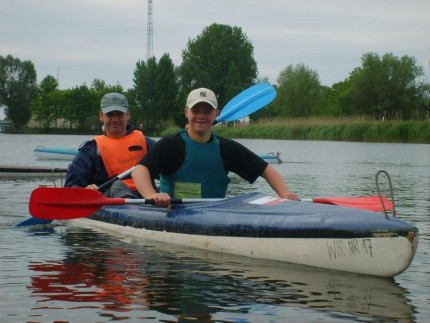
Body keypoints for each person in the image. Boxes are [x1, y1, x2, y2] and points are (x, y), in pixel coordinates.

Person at [131, 87, 299, 207]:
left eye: (207, 111)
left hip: (212, 215)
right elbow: (139, 171)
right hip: (171, 213)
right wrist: (152, 196)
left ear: (216, 114)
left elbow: (267, 170)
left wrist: (284, 194)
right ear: (186, 113)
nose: (201, 116)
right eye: (196, 110)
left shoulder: (227, 149)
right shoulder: (171, 145)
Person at [65, 92, 156, 198]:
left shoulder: (146, 143)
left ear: (128, 114)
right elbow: (72, 185)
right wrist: (87, 190)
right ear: (101, 116)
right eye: (110, 114)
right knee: (117, 185)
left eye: (119, 114)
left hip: (147, 195)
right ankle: (131, 209)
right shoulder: (91, 150)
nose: (115, 119)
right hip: (113, 198)